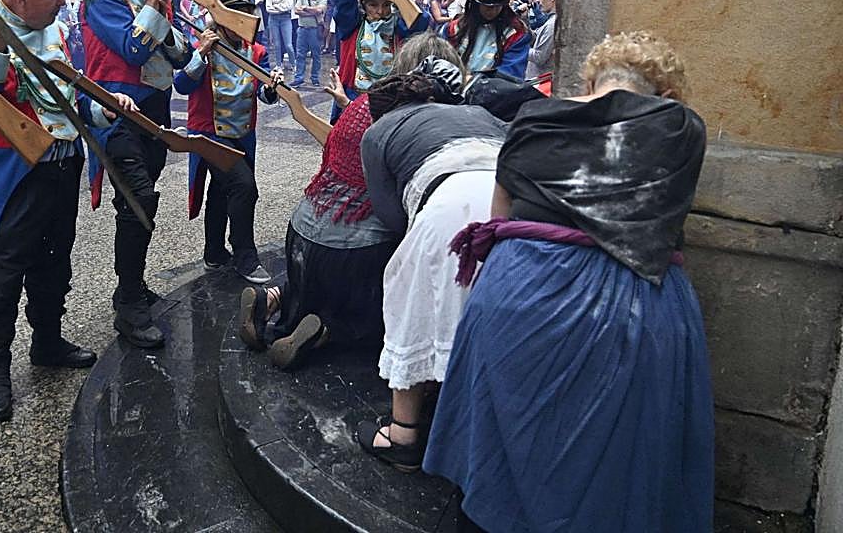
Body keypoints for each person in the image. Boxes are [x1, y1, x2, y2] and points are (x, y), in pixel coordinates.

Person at [424, 31, 713, 533]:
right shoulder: (680, 126)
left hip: (519, 287)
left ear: (590, 79)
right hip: (629, 304)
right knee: (616, 460)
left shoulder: (533, 116)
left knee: (502, 439)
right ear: (665, 94)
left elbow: (500, 217)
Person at [0, 0, 124, 422]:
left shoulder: (52, 29)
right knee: (5, 273)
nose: (63, 0)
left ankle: (47, 342)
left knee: (56, 260)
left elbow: (64, 97)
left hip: (62, 163)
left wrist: (100, 110)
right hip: (15, 173)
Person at [238, 33, 451, 371]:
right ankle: (327, 332)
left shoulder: (362, 103)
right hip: (355, 254)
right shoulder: (419, 119)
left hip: (302, 231)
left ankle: (271, 300)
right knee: (379, 297)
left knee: (314, 276)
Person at [352, 51, 508, 472]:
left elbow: (391, 216)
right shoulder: (476, 112)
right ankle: (493, 428)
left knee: (413, 294)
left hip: (448, 199)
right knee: (497, 309)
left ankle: (403, 434)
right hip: (514, 198)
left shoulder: (380, 130)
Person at [81, 0, 191, 349]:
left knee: (145, 201)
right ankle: (127, 304)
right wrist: (150, 3)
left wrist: (172, 17)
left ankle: (134, 284)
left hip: (157, 109)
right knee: (138, 199)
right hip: (116, 111)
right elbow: (130, 46)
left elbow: (178, 51)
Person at [174, 0, 278, 284]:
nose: (245, 18)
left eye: (247, 11)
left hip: (242, 133)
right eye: (238, 12)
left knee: (222, 191)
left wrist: (272, 88)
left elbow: (259, 92)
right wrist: (201, 53)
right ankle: (246, 257)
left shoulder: (256, 51)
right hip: (211, 133)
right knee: (245, 188)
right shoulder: (200, 43)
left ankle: (215, 253)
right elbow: (182, 84)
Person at [330, 0, 429, 121]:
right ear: (364, 5)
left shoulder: (400, 26)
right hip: (353, 96)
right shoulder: (352, 25)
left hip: (391, 103)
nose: (381, 11)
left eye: (386, 4)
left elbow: (421, 23)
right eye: (373, 5)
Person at [291, 0, 327, 86]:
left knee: (316, 55)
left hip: (315, 30)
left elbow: (319, 10)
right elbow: (296, 10)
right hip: (302, 29)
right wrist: (312, 12)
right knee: (300, 54)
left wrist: (305, 8)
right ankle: (299, 77)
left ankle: (315, 77)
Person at [526, 0, 559, 81]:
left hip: (539, 83)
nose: (538, 0)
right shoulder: (549, 21)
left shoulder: (552, 24)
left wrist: (519, 49)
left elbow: (540, 57)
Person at [264, 0, 295, 70]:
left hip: (286, 19)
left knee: (288, 44)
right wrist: (282, 6)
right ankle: (278, 64)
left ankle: (293, 64)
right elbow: (268, 8)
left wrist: (276, 6)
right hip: (273, 20)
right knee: (277, 44)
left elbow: (289, 6)